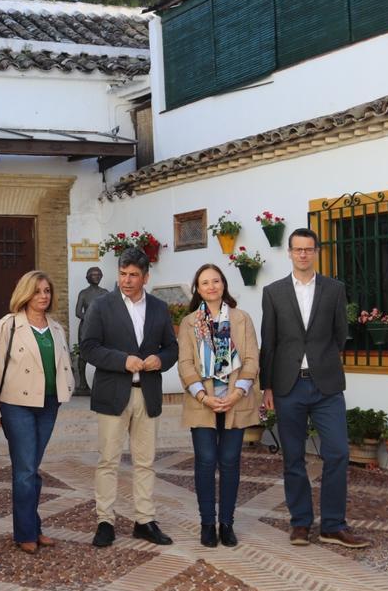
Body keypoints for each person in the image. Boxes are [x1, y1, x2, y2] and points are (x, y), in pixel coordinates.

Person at [260, 228, 369, 549]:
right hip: (287, 386)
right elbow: (270, 342)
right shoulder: (273, 292)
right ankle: (301, 523)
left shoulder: (335, 290)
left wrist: (321, 361)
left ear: (317, 252)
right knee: (293, 457)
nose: (303, 254)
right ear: (290, 253)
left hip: (326, 386)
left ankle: (333, 525)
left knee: (338, 452)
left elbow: (340, 334)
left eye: (309, 249)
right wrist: (266, 386)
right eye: (298, 249)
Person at [79, 247, 178, 547]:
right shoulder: (102, 305)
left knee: (145, 462)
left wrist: (161, 360)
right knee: (108, 460)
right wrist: (122, 360)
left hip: (147, 394)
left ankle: (144, 520)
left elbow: (171, 349)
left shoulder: (160, 308)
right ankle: (105, 521)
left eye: (134, 275)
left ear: (145, 277)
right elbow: (89, 347)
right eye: (123, 274)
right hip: (113, 394)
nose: (127, 280)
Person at [0, 271, 76, 554]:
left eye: (47, 291)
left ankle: (33, 527)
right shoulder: (8, 325)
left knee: (32, 469)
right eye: (37, 291)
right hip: (17, 404)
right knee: (25, 470)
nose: (43, 296)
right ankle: (25, 532)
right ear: (25, 293)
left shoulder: (56, 328)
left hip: (49, 404)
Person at [176, 264, 261, 548]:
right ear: (197, 290)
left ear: (223, 284)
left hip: (235, 400)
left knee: (229, 463)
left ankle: (227, 523)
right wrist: (203, 396)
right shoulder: (190, 323)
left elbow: (251, 359)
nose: (211, 286)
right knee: (205, 461)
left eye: (215, 281)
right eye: (204, 283)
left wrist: (237, 393)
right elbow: (186, 364)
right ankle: (206, 523)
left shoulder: (241, 318)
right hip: (203, 402)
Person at [73, 266, 109, 395]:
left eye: (99, 274)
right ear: (88, 277)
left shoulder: (105, 293)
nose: (97, 276)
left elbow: (110, 310)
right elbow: (78, 312)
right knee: (83, 355)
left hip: (102, 327)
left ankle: (102, 384)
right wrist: (91, 319)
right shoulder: (84, 293)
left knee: (103, 353)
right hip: (86, 328)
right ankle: (82, 384)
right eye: (94, 274)